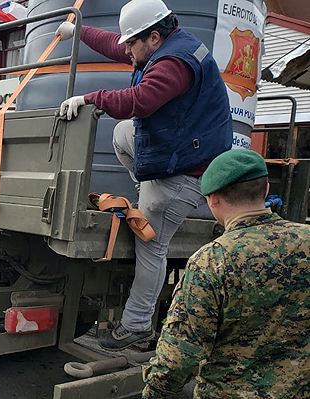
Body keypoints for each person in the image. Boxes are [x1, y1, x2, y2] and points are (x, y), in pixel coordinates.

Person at [56, 0, 232, 350]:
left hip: (188, 172)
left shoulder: (173, 65)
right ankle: (151, 190)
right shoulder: (161, 46)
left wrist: (90, 97)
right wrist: (77, 32)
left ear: (153, 37)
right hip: (177, 152)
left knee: (150, 245)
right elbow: (114, 44)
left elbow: (140, 101)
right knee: (123, 134)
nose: (126, 49)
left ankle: (136, 326)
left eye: (130, 43)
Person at [142, 149, 310, 397]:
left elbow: (178, 359)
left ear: (212, 199)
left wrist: (152, 393)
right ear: (265, 191)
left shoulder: (212, 261)